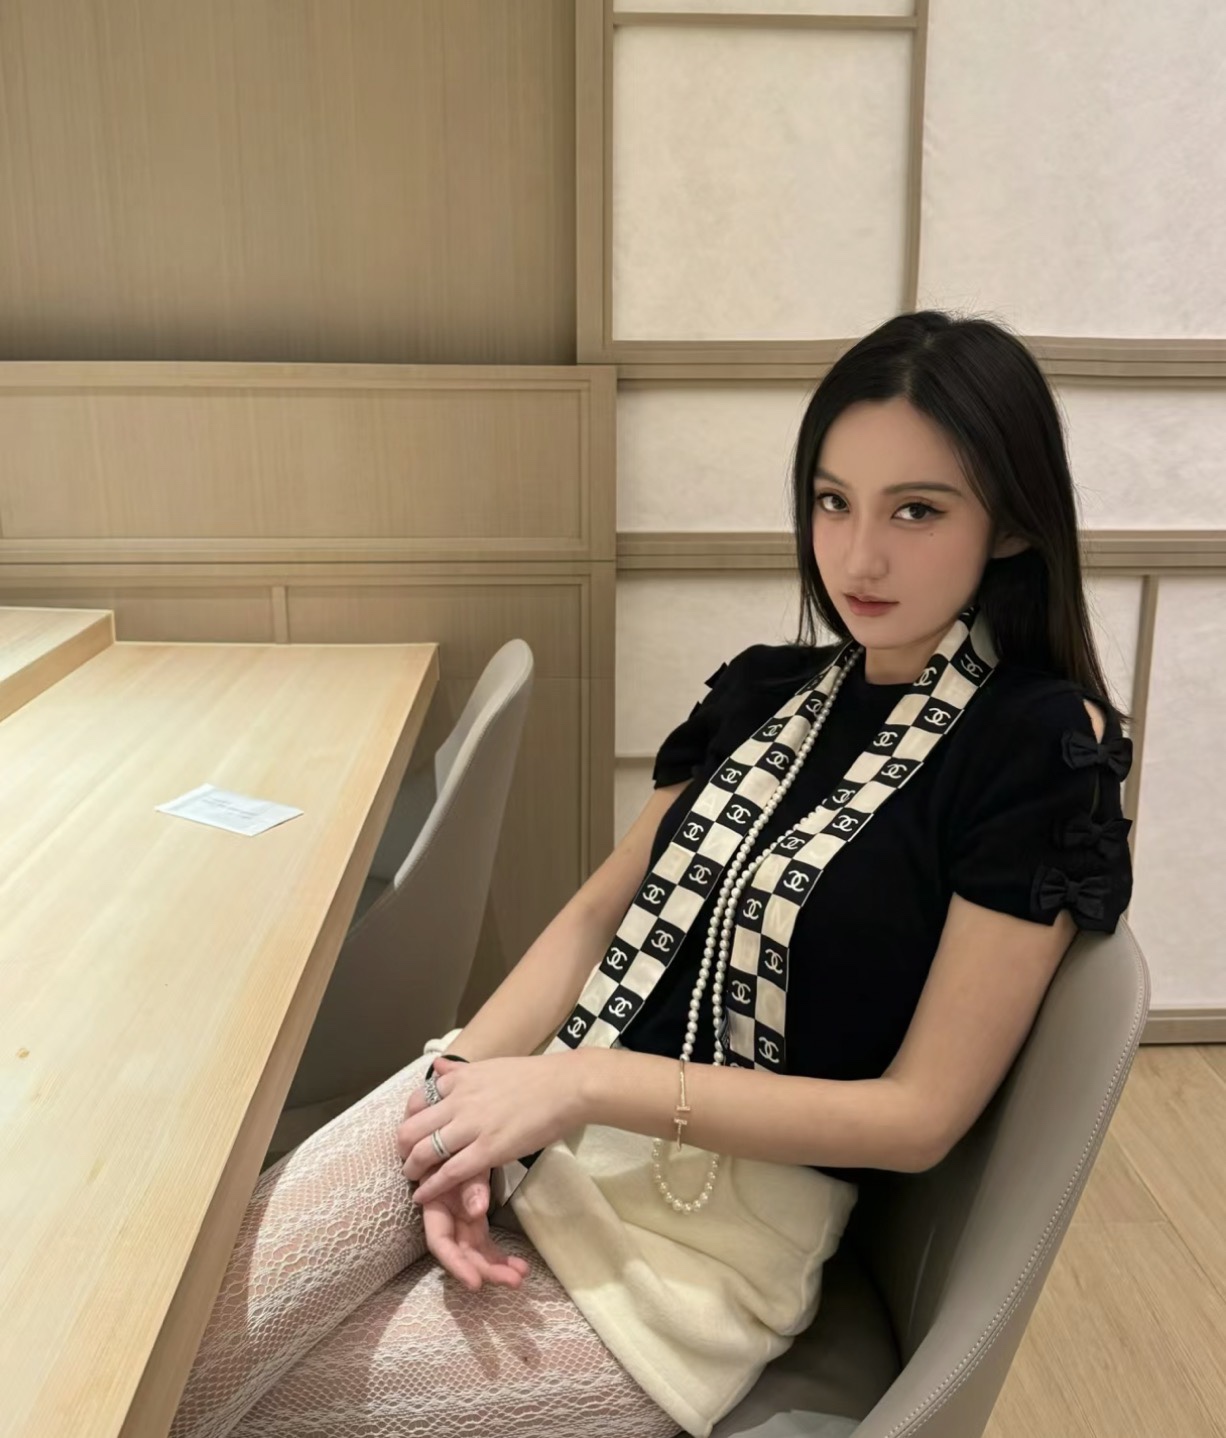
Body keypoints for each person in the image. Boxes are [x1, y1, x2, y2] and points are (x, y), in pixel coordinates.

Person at [170, 311, 1134, 1438]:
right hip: (521, 1097)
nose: (858, 556)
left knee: (205, 1408)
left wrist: (582, 1086)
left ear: (1010, 522)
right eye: (833, 502)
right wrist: (470, 1083)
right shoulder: (765, 690)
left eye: (915, 510)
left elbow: (918, 1115)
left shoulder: (1034, 746)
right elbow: (598, 913)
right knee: (165, 1350)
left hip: (687, 1256)